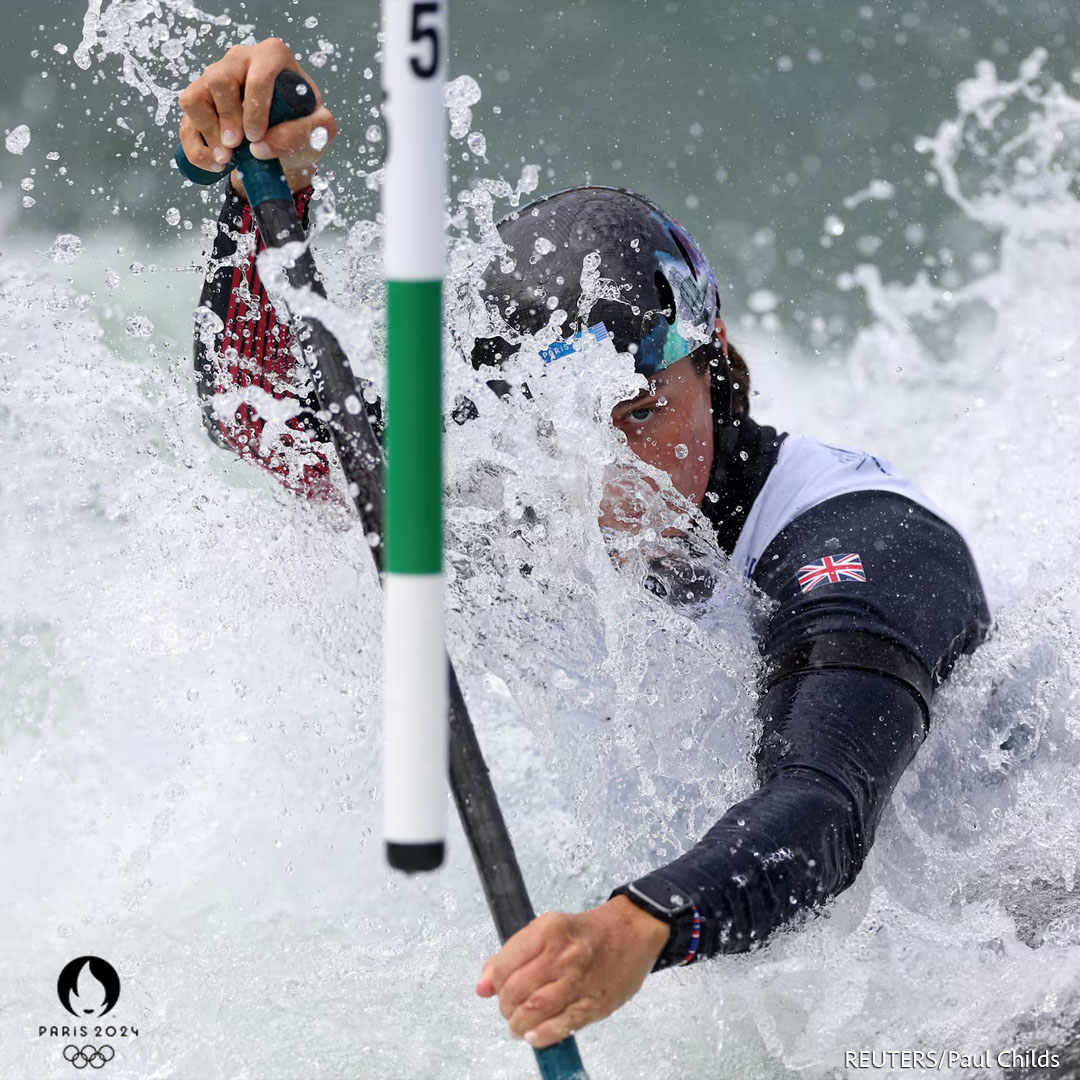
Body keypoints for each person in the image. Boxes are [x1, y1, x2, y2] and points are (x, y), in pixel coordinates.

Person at [178, 40, 992, 1051]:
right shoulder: (529, 498)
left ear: (721, 365)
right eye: (579, 433)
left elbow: (822, 801)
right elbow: (268, 424)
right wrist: (272, 189)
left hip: (1010, 948)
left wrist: (637, 924)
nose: (622, 474)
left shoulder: (862, 539)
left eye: (647, 412)